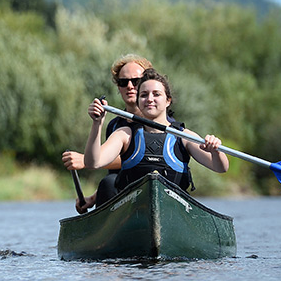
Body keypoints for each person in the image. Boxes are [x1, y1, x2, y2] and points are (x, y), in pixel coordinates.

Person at [83, 69, 228, 201]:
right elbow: (93, 162)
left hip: (173, 210)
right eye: (144, 95)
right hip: (132, 210)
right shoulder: (124, 134)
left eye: (156, 94)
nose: (150, 99)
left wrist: (216, 151)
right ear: (139, 102)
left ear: (168, 101)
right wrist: (97, 124)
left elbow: (220, 167)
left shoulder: (183, 136)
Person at [62, 54, 153, 213]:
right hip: (128, 200)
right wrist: (93, 199)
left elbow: (142, 158)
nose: (130, 86)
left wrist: (85, 160)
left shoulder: (159, 121)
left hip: (154, 188)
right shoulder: (115, 125)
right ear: (118, 87)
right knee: (108, 183)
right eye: (123, 82)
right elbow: (119, 175)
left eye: (136, 81)